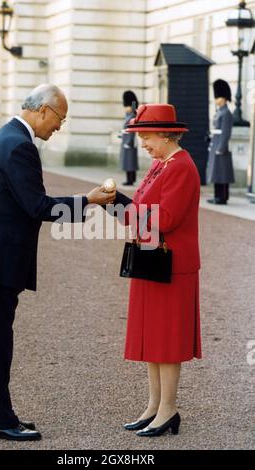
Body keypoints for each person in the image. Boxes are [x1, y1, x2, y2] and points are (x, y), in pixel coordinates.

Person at [0, 84, 116, 441]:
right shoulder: (19, 145)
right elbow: (38, 206)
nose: (60, 126)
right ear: (44, 110)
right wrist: (88, 200)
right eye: (60, 118)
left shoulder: (7, 136)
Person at [112, 104, 201, 437]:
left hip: (172, 264)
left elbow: (164, 219)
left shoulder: (182, 167)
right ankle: (154, 406)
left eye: (146, 137)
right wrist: (117, 204)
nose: (143, 143)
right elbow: (141, 209)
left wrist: (118, 205)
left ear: (166, 134)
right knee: (153, 339)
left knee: (167, 340)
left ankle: (168, 409)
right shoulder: (162, 163)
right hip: (152, 258)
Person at [207, 79, 235, 205]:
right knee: (216, 173)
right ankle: (217, 195)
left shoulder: (227, 113)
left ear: (223, 98)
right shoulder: (220, 112)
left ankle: (222, 197)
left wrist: (221, 147)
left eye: (217, 97)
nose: (216, 99)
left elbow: (226, 132)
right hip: (215, 144)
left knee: (222, 173)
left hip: (220, 146)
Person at [120, 91, 139, 186]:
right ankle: (130, 179)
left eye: (127, 106)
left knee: (130, 162)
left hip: (129, 142)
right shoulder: (128, 116)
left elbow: (131, 130)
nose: (125, 108)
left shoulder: (133, 116)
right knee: (127, 161)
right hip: (125, 140)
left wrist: (129, 142)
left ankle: (130, 180)